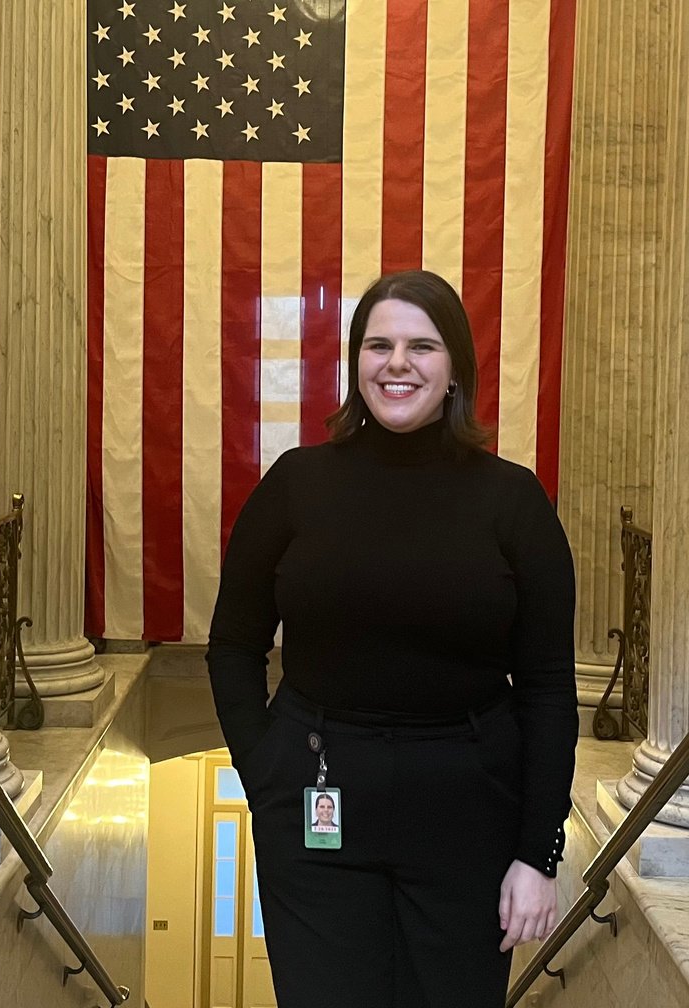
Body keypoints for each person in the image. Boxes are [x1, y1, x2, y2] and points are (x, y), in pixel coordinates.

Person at [207, 269, 577, 1008]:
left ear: (454, 370)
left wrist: (537, 852)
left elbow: (546, 690)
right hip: (317, 810)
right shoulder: (295, 484)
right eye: (378, 345)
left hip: (469, 817)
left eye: (421, 346)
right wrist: (265, 772)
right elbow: (233, 646)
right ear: (355, 364)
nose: (396, 363)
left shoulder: (513, 502)